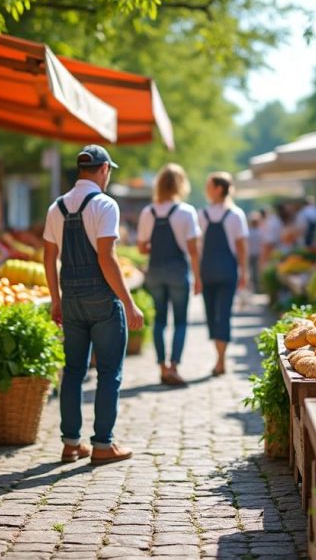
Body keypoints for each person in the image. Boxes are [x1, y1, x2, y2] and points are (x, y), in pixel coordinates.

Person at [43, 145, 143, 466]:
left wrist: (56, 299)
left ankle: (71, 444)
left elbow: (49, 257)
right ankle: (102, 444)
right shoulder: (104, 205)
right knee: (109, 372)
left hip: (71, 299)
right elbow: (106, 258)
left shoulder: (56, 207)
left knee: (73, 372)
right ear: (104, 169)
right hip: (102, 299)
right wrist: (129, 302)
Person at [136, 163, 202, 386]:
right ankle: (174, 366)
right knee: (180, 322)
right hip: (178, 271)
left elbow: (141, 248)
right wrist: (198, 278)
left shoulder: (148, 212)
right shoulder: (186, 211)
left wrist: (156, 248)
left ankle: (162, 367)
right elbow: (193, 250)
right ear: (181, 185)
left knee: (160, 321)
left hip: (155, 271)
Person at [199, 172, 249, 377]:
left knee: (213, 314)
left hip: (208, 270)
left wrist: (197, 274)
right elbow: (241, 247)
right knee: (222, 314)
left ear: (219, 189)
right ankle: (220, 358)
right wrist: (244, 272)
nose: (206, 190)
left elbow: (198, 247)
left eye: (209, 186)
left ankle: (220, 359)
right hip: (227, 270)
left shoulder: (203, 214)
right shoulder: (235, 214)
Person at [247, 210, 263, 293]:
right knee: (256, 272)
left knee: (252, 271)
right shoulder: (260, 232)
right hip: (257, 254)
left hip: (251, 254)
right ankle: (256, 288)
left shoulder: (249, 232)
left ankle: (253, 288)